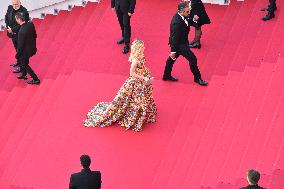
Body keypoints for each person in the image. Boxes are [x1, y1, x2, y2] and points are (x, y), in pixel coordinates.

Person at [84, 40, 157, 131]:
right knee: (136, 99)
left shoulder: (141, 56)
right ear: (138, 48)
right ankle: (134, 115)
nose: (144, 48)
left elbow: (142, 67)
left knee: (140, 98)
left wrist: (146, 73)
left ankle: (140, 112)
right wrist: (143, 77)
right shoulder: (135, 60)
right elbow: (131, 73)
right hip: (136, 82)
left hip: (142, 80)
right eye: (142, 47)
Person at [162, 2, 208, 86]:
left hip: (182, 42)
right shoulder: (177, 23)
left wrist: (194, 19)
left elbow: (188, 21)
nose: (189, 13)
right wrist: (173, 51)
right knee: (193, 59)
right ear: (181, 12)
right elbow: (174, 38)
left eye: (189, 11)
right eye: (187, 12)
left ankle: (166, 75)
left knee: (171, 60)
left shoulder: (183, 15)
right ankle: (198, 79)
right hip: (180, 45)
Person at [15, 12, 40, 85]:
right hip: (32, 48)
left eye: (16, 19)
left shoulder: (21, 31)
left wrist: (17, 55)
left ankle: (36, 79)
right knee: (25, 61)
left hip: (25, 51)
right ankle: (24, 75)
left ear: (19, 19)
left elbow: (20, 46)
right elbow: (35, 35)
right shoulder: (31, 24)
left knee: (24, 64)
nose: (16, 20)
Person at [5, 0, 29, 73]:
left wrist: (12, 29)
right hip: (12, 34)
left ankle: (22, 67)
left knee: (20, 51)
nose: (14, 6)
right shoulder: (10, 7)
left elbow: (23, 24)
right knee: (16, 49)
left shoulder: (24, 11)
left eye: (16, 4)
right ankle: (18, 62)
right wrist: (8, 27)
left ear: (20, 3)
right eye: (13, 4)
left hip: (20, 34)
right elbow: (6, 18)